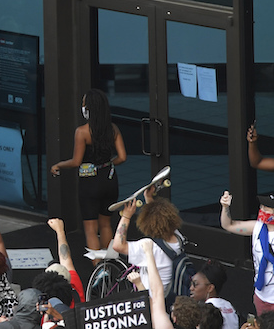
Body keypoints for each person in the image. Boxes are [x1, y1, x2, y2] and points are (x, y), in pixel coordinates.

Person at [49, 88, 127, 250]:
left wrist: (59, 165)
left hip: (90, 183)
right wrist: (109, 163)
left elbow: (76, 161)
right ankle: (107, 264)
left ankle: (97, 267)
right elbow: (122, 157)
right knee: (106, 224)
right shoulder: (113, 129)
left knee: (91, 229)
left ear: (90, 108)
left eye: (84, 103)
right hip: (110, 179)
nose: (82, 106)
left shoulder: (82, 132)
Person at [221, 190, 274, 316]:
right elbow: (228, 225)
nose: (262, 209)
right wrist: (225, 207)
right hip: (260, 296)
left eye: (267, 208)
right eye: (262, 207)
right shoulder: (257, 227)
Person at [112, 195, 184, 293]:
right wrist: (148, 197)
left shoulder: (149, 246)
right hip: (169, 296)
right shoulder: (178, 237)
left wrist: (126, 216)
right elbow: (160, 217)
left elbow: (118, 245)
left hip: (150, 299)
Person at [191, 261, 240, 329]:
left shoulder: (207, 311)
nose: (191, 288)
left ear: (210, 288)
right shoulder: (228, 305)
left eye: (195, 284)